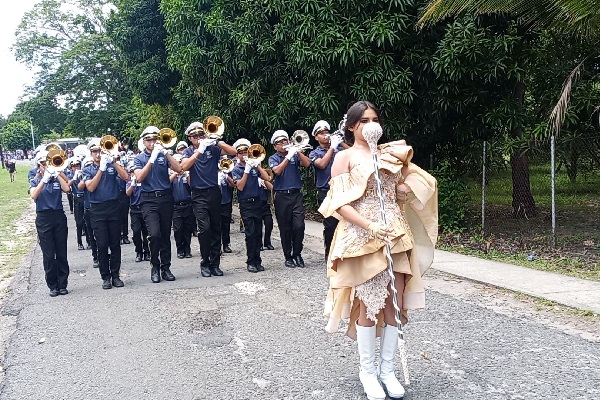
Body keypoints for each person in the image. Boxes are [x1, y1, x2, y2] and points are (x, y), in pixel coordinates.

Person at [319, 101, 438, 400]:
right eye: (362, 121)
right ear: (350, 126)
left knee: (394, 306)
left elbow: (421, 180)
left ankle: (388, 370)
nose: (369, 125)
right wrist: (369, 226)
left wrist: (403, 190)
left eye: (374, 119)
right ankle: (368, 373)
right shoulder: (344, 157)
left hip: (396, 235)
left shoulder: (390, 153)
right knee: (370, 307)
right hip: (363, 238)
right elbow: (339, 203)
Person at [181, 121, 236, 277]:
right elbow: (184, 167)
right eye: (195, 136)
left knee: (215, 228)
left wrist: (217, 141)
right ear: (190, 138)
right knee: (204, 229)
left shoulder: (213, 148)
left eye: (201, 135)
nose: (199, 138)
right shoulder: (187, 152)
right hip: (198, 194)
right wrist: (199, 151)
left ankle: (215, 263)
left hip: (214, 192)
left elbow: (233, 152)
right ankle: (205, 262)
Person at [133, 126, 182, 283]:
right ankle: (155, 266)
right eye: (149, 140)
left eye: (154, 139)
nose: (152, 142)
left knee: (166, 234)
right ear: (144, 141)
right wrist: (152, 159)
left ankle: (166, 268)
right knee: (154, 234)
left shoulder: (163, 155)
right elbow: (139, 177)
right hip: (148, 199)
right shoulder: (139, 158)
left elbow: (179, 168)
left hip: (166, 197)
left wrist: (166, 152)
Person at [83, 139, 130, 289]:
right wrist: (101, 169)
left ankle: (115, 275)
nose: (98, 154)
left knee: (115, 243)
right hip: (97, 209)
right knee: (102, 244)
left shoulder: (111, 164)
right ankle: (105, 276)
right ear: (91, 154)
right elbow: (90, 187)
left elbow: (126, 177)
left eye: (100, 151)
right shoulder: (88, 169)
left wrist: (114, 162)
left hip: (114, 206)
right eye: (95, 151)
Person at [268, 130, 311, 268]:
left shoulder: (294, 154)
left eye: (285, 141)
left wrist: (297, 151)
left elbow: (307, 164)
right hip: (281, 196)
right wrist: (288, 157)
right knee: (285, 228)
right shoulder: (273, 158)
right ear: (275, 146)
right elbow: (277, 171)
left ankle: (297, 253)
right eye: (279, 142)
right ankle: (288, 256)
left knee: (299, 225)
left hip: (296, 194)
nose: (283, 144)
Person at [30, 160, 71, 297]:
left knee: (61, 251)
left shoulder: (56, 178)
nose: (46, 166)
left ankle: (63, 283)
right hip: (43, 217)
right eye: (43, 164)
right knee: (48, 254)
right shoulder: (35, 181)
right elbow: (34, 195)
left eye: (47, 163)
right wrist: (44, 180)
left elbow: (67, 189)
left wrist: (56, 173)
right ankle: (52, 285)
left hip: (58, 215)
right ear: (39, 167)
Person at [230, 139, 271, 272]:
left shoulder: (254, 166)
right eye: (240, 153)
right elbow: (240, 187)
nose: (243, 155)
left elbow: (267, 178)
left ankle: (258, 260)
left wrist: (257, 165)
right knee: (250, 233)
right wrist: (247, 170)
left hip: (258, 201)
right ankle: (250, 261)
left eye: (245, 152)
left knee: (259, 232)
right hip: (246, 203)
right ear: (237, 155)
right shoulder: (236, 169)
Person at [309, 120, 347, 259]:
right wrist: (332, 148)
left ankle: (344, 255)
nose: (325, 135)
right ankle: (330, 256)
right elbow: (322, 164)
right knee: (330, 225)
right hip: (326, 192)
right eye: (321, 133)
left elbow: (355, 156)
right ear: (316, 137)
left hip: (343, 190)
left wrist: (340, 142)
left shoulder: (340, 149)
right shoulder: (314, 153)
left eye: (327, 132)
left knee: (345, 224)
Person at [170, 154, 194, 259]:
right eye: (177, 163)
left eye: (180, 162)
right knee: (178, 229)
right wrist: (175, 173)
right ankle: (180, 249)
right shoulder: (171, 176)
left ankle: (187, 249)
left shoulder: (186, 175)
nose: (179, 165)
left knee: (188, 229)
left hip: (188, 205)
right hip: (175, 206)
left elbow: (192, 185)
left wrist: (187, 174)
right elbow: (167, 183)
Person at [125, 164, 149, 262]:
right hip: (135, 209)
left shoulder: (144, 182)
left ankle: (147, 252)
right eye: (131, 172)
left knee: (146, 232)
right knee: (136, 232)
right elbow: (127, 193)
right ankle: (138, 251)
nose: (133, 174)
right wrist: (133, 184)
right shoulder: (130, 183)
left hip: (145, 208)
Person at [219, 157, 235, 254]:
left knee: (226, 223)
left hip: (226, 199)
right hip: (215, 201)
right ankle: (217, 246)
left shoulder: (228, 170)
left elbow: (233, 184)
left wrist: (226, 175)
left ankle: (226, 244)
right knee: (216, 225)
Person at [258, 174, 275, 251]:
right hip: (256, 205)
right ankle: (259, 243)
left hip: (265, 205)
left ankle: (267, 242)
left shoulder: (262, 181)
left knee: (269, 223)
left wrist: (263, 180)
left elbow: (271, 187)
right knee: (258, 226)